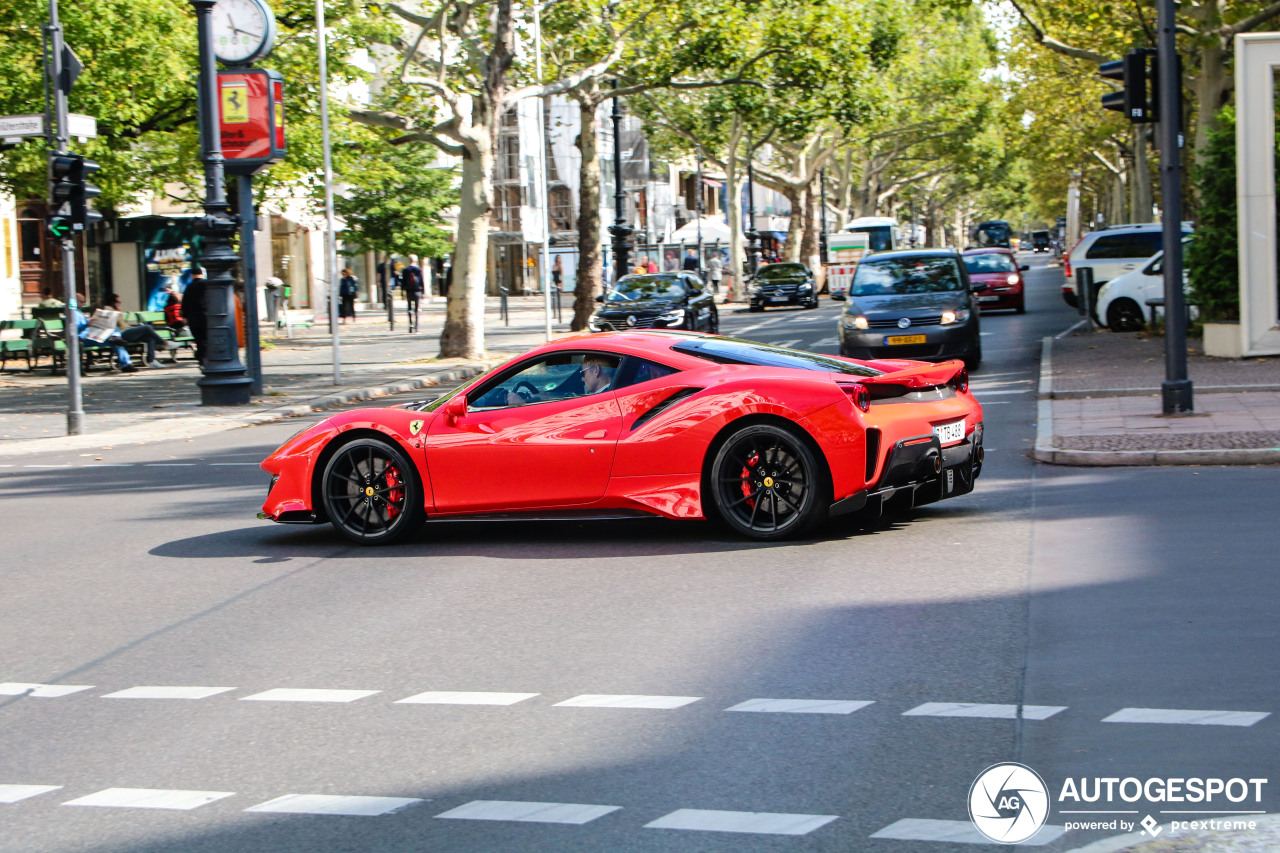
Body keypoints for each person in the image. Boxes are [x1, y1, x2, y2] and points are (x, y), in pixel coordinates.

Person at [102, 293, 172, 368]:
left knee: (150, 338)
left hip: (128, 330)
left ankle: (152, 361)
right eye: (118, 301)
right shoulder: (108, 310)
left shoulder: (116, 310)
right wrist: (117, 312)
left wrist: (118, 311)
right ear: (112, 302)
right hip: (122, 333)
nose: (119, 303)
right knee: (147, 327)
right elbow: (114, 323)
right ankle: (164, 343)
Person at [181, 267, 208, 363]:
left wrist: (185, 317)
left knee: (199, 339)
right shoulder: (206, 284)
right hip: (205, 316)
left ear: (192, 275)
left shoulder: (189, 287)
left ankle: (201, 358)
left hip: (193, 317)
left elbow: (184, 303)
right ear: (202, 274)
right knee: (205, 338)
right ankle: (204, 358)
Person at [401, 255, 425, 332]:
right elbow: (421, 281)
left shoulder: (405, 270)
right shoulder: (418, 270)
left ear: (408, 260)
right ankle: (416, 326)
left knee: (409, 308)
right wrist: (423, 292)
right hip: (417, 291)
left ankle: (410, 325)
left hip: (409, 291)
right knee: (417, 309)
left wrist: (402, 293)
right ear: (416, 261)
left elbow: (403, 282)